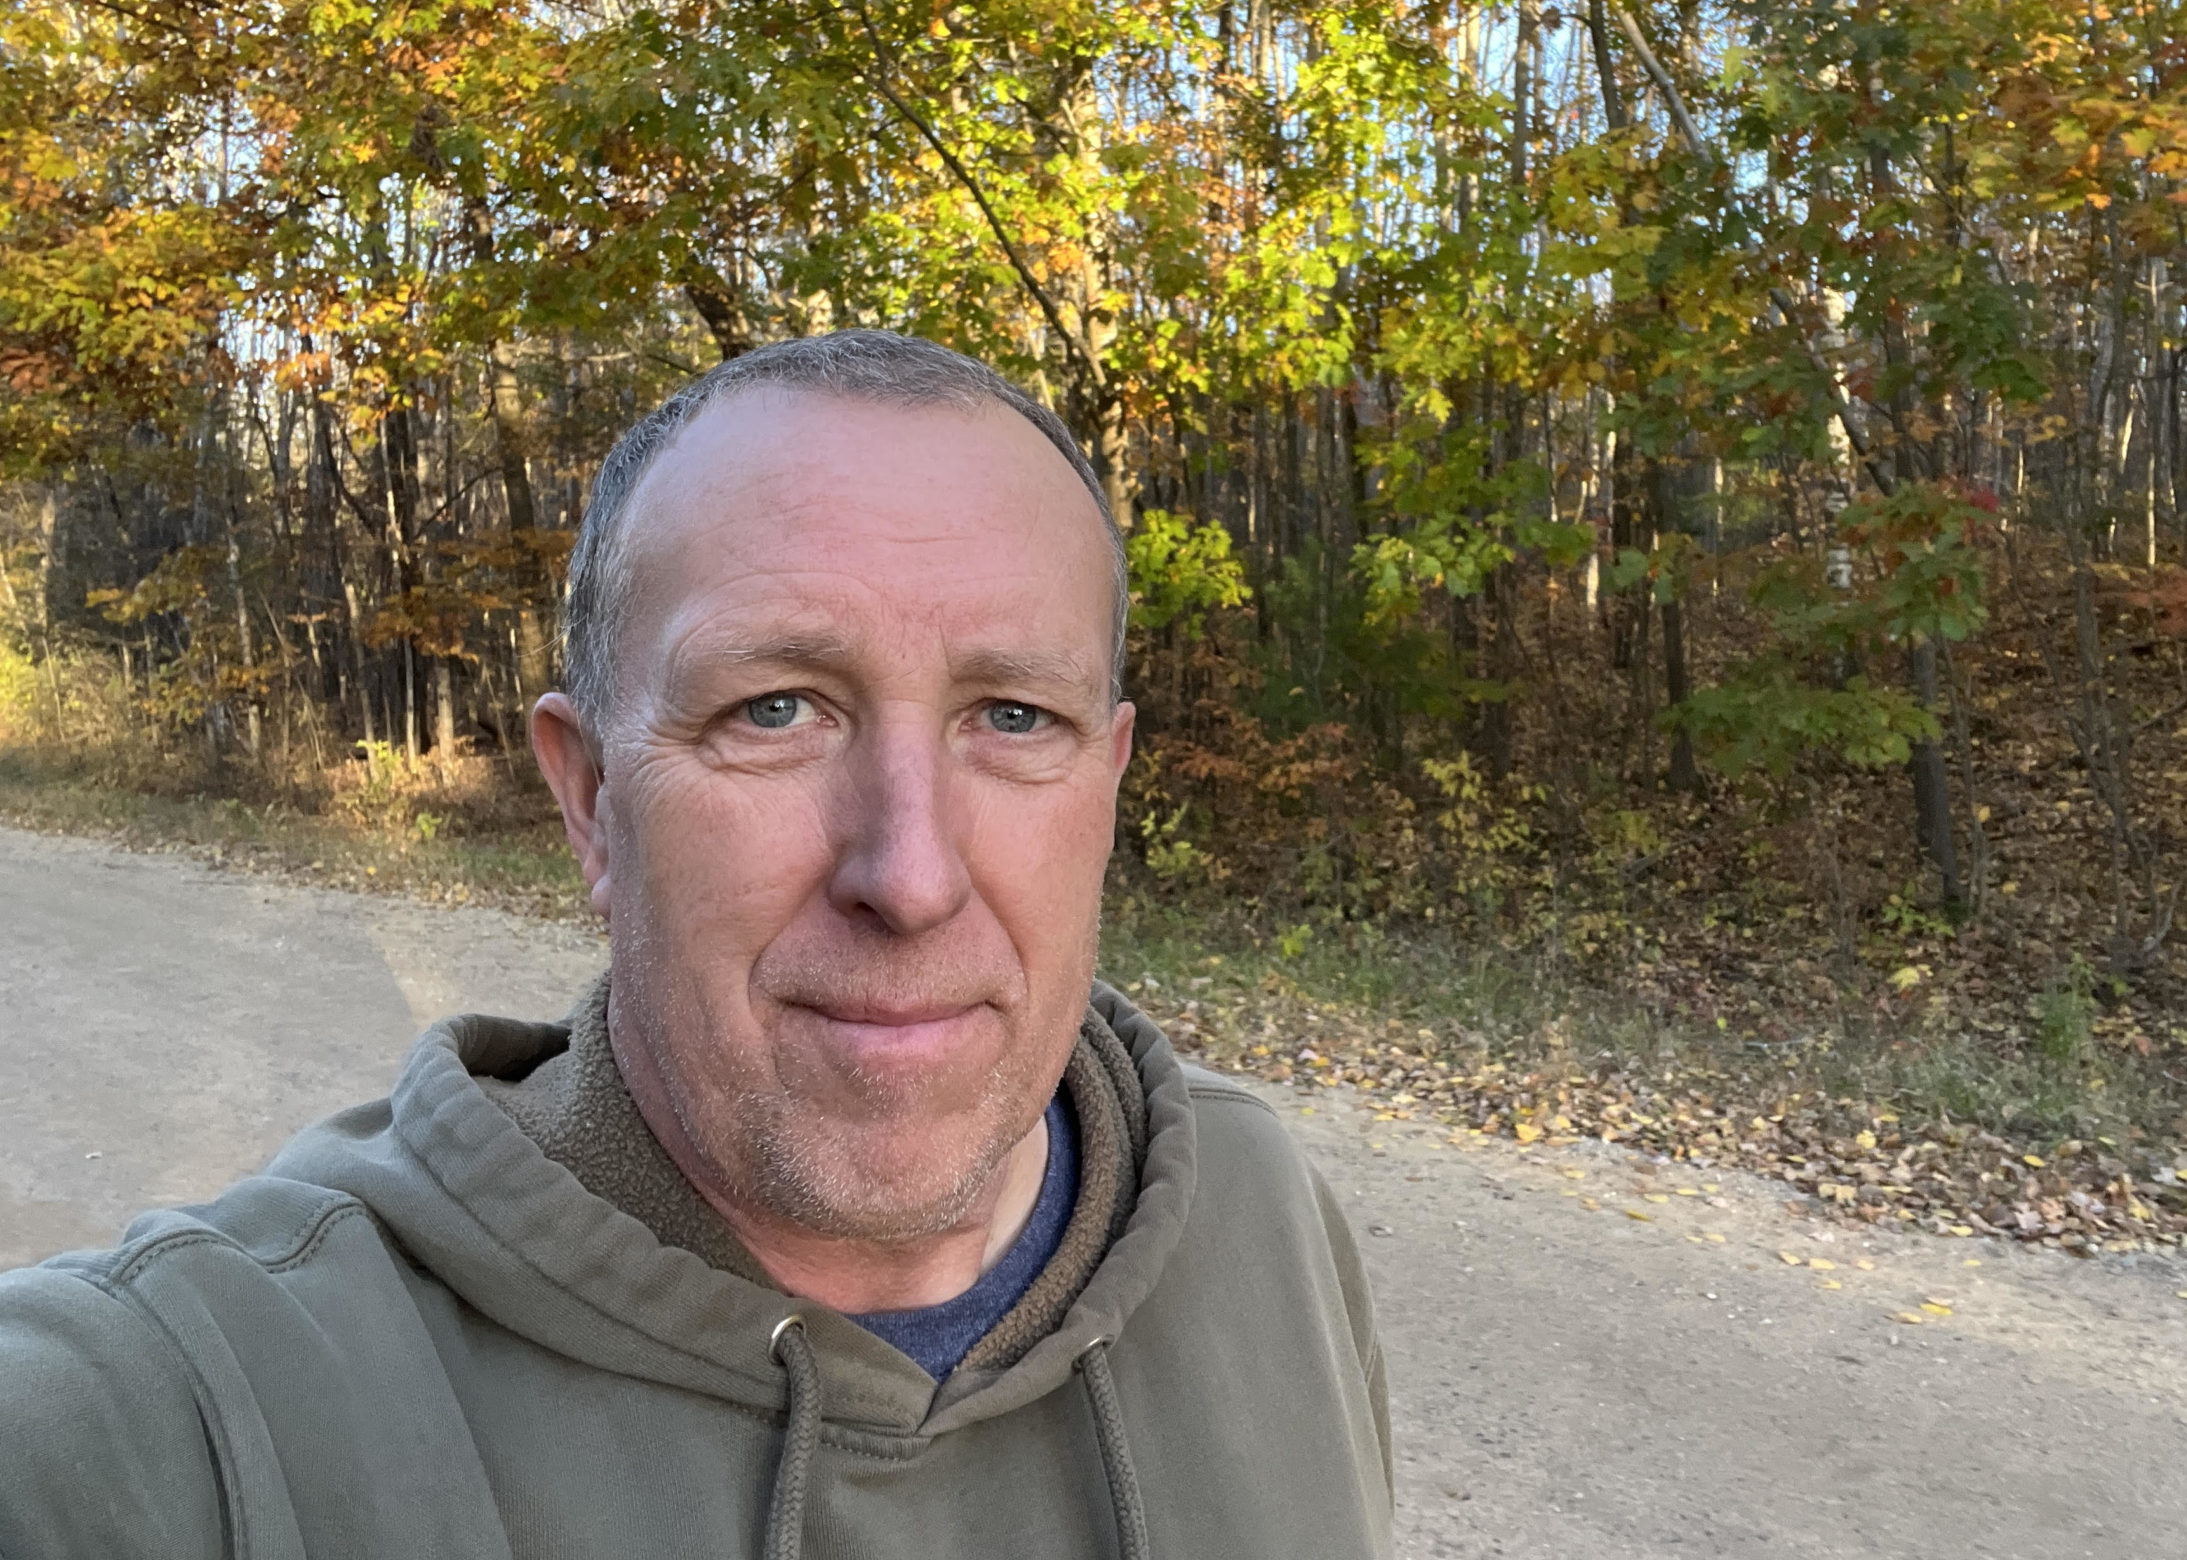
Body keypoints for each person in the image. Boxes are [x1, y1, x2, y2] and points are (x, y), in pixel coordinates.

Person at [0, 331, 1392, 1558]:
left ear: (1108, 781)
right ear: (592, 800)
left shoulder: (1254, 1213)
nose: (908, 875)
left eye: (1014, 717)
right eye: (776, 710)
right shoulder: (189, 1400)